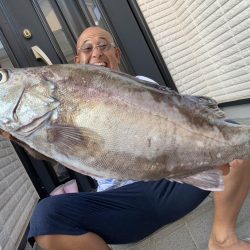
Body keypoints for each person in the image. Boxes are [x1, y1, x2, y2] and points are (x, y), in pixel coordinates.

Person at [28, 26, 250, 250]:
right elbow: (45, 148)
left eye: (103, 45)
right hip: (120, 202)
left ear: (116, 54)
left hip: (167, 183)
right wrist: (22, 135)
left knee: (232, 139)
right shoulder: (68, 104)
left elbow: (178, 125)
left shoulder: (140, 84)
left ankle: (223, 240)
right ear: (78, 61)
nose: (96, 53)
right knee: (46, 215)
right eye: (87, 48)